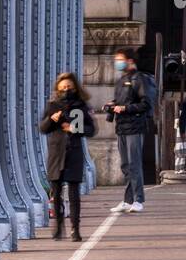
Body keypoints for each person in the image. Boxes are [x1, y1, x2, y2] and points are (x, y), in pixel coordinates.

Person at [38, 72, 97, 240]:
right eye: (63, 87)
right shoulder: (52, 106)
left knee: (73, 193)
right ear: (57, 88)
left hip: (73, 152)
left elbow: (91, 130)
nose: (66, 90)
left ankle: (75, 229)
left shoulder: (81, 106)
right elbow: (43, 128)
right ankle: (58, 227)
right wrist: (51, 119)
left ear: (75, 88)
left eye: (69, 87)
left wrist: (76, 129)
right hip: (56, 154)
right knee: (56, 193)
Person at [106, 48, 150, 212]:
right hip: (122, 127)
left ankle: (138, 199)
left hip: (134, 126)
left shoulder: (139, 79)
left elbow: (146, 104)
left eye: (120, 59)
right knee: (125, 165)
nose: (118, 62)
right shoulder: (121, 80)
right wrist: (112, 105)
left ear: (130, 60)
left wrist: (124, 108)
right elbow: (119, 100)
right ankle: (127, 199)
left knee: (134, 164)